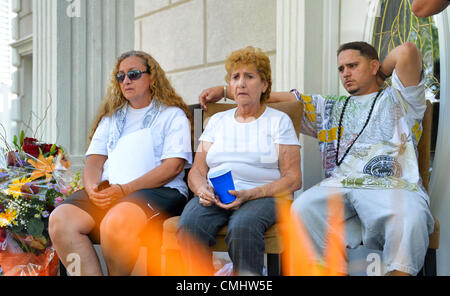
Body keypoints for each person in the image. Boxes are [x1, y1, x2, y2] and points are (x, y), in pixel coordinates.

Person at [199, 42, 435, 276]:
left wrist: (381, 74)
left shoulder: (400, 99)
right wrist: (225, 91)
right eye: (341, 69)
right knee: (302, 208)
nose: (346, 74)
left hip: (392, 185)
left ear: (373, 66)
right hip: (340, 185)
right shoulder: (331, 107)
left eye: (353, 65)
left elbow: (408, 51)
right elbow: (273, 97)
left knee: (412, 216)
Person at [49, 51, 192, 276]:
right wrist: (93, 189)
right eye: (121, 76)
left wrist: (125, 190)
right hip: (113, 191)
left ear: (152, 77)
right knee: (60, 219)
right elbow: (94, 163)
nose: (126, 80)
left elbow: (172, 167)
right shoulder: (110, 118)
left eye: (134, 74)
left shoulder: (173, 116)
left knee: (116, 222)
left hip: (160, 191)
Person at [177, 46, 302, 276]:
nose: (241, 83)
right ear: (230, 85)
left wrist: (251, 194)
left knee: (243, 227)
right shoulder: (216, 121)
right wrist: (202, 189)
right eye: (236, 77)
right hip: (217, 194)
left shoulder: (278, 121)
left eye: (250, 76)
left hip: (265, 196)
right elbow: (197, 170)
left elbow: (294, 179)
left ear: (264, 85)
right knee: (190, 225)